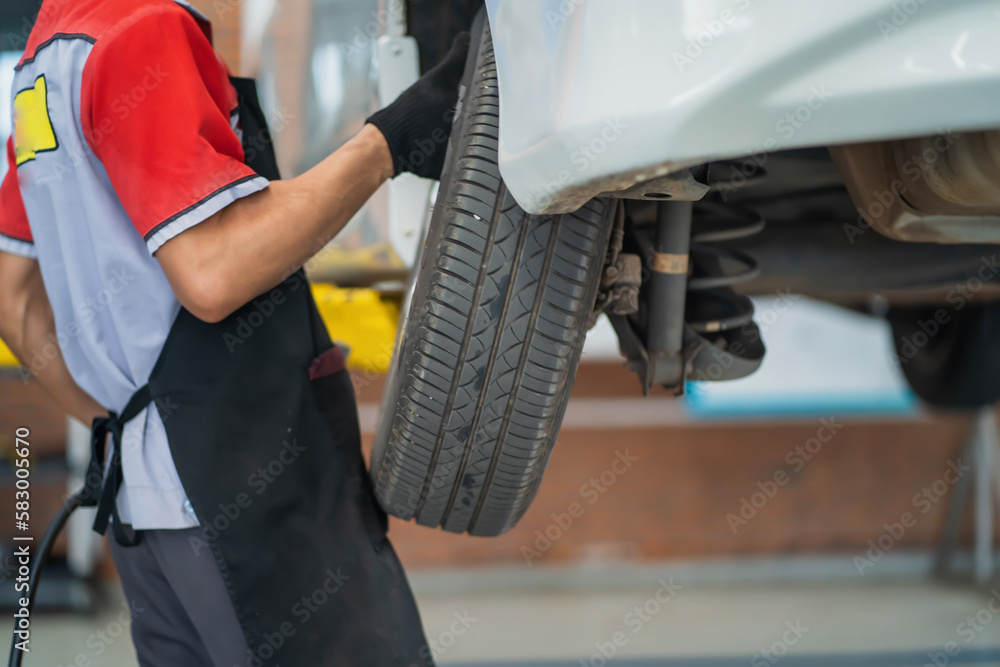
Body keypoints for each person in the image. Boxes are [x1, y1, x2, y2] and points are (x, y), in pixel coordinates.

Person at [0, 0, 470, 664]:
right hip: (245, 502)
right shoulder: (145, 29)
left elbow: (12, 298)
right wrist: (391, 140)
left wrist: (127, 431)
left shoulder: (43, 63)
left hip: (148, 521)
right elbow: (212, 271)